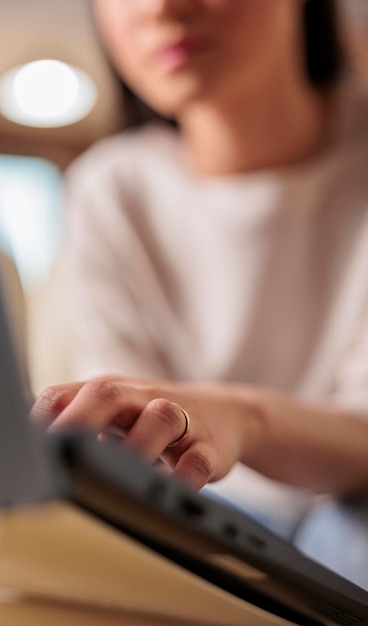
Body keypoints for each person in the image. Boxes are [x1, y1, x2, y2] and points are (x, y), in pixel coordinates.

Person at [33, 0, 368, 537]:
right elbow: (128, 434)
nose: (162, 8)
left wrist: (244, 419)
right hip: (204, 509)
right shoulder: (110, 189)